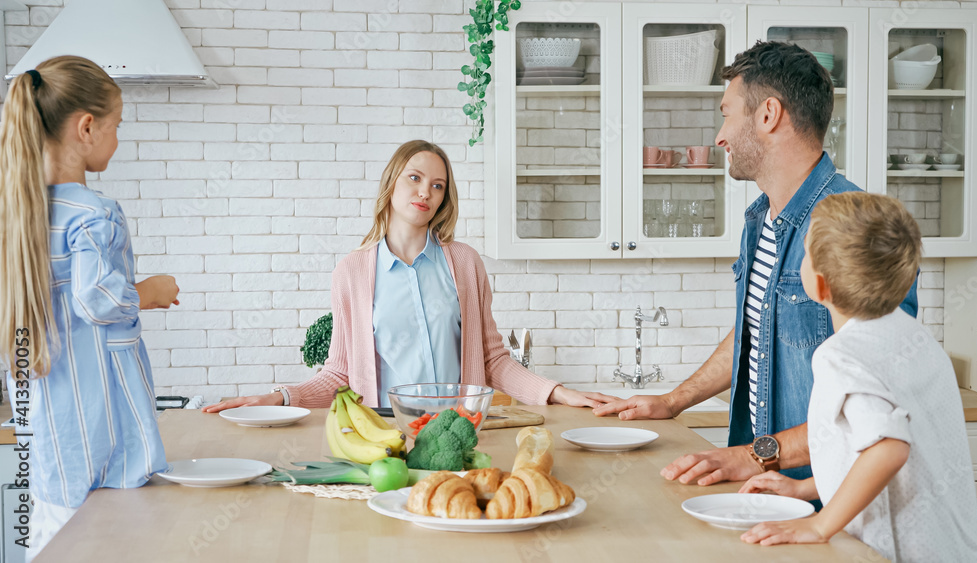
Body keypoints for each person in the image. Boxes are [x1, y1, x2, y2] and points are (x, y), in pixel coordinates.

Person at [594, 41, 919, 486]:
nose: (719, 136)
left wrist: (759, 455)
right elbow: (759, 329)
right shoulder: (760, 220)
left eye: (727, 114)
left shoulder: (856, 228)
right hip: (772, 488)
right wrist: (673, 402)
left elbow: (882, 397)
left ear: (768, 114)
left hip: (831, 497)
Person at [204, 140, 614, 411]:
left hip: (461, 429)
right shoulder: (352, 273)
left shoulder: (465, 264)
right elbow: (338, 374)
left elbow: (491, 359)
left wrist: (557, 393)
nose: (425, 192)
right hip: (386, 432)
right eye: (415, 178)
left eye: (438, 186)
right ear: (392, 183)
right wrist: (278, 397)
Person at [0, 56, 180, 561]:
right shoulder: (94, 212)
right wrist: (151, 289)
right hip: (102, 437)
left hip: (48, 440)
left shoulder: (16, 216)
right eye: (116, 125)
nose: (117, 139)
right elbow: (98, 298)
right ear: (86, 127)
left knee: (50, 543)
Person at [738, 192, 977, 561]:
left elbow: (888, 448)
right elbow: (882, 449)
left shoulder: (841, 356)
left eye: (805, 255)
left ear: (820, 286)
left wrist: (820, 526)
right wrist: (805, 488)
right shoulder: (918, 339)